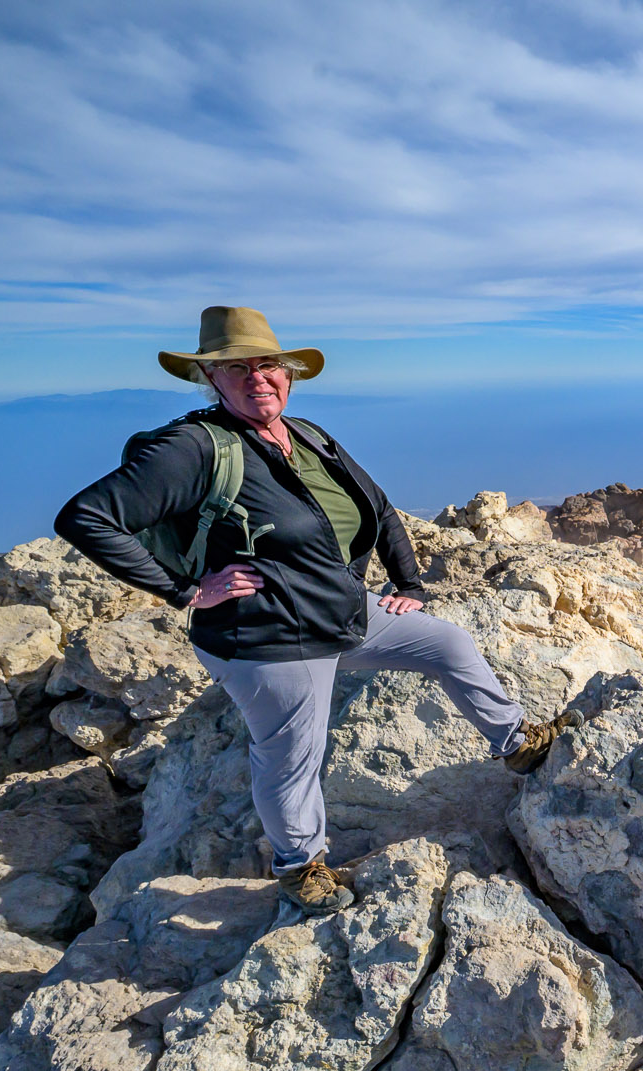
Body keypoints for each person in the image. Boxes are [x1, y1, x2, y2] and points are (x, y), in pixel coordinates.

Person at [56, 306, 573, 914]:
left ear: (288, 373)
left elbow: (378, 509)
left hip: (341, 613)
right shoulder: (194, 448)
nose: (257, 378)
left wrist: (409, 582)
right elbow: (85, 517)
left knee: (446, 644)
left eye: (267, 364)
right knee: (293, 754)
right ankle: (300, 866)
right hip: (268, 637)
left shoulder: (308, 436)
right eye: (235, 368)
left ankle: (515, 743)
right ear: (209, 378)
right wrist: (188, 590)